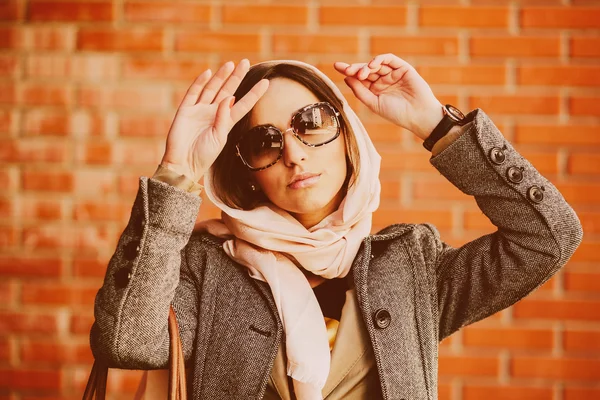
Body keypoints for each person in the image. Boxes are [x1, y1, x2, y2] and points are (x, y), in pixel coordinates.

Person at [90, 53, 583, 400]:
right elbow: (126, 343)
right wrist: (176, 172)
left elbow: (548, 237)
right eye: (265, 140)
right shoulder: (206, 266)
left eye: (311, 121)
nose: (294, 153)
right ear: (247, 172)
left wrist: (437, 124)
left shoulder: (410, 265)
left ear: (348, 136)